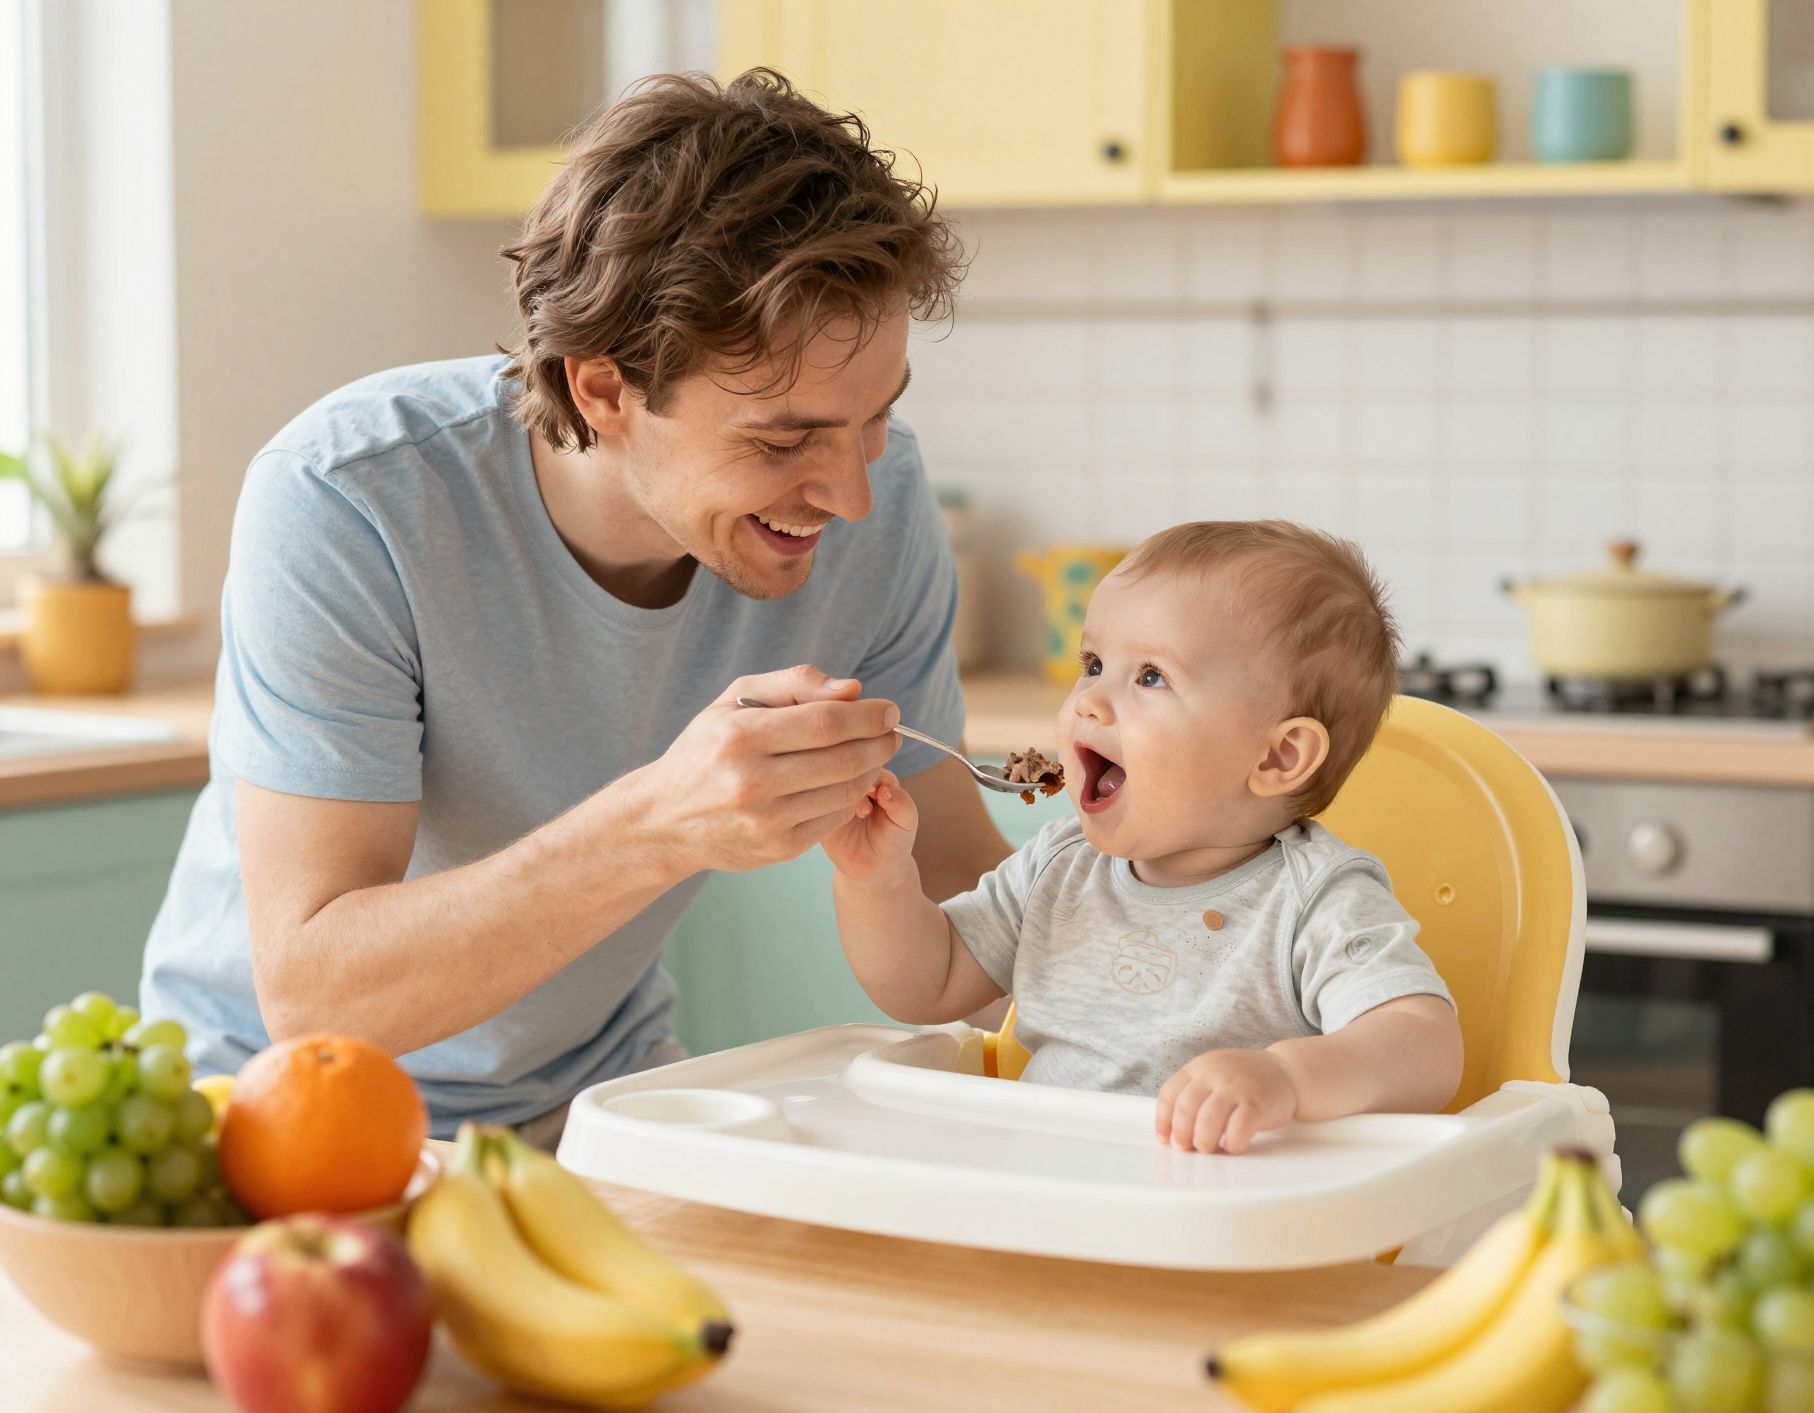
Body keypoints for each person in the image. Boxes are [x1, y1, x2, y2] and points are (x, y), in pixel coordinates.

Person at [141, 72, 1009, 1144]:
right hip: (276, 1116)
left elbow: (960, 881)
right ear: (601, 389)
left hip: (602, 1105)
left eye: (875, 416)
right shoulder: (350, 498)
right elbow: (319, 998)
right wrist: (661, 823)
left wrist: (1189, 982)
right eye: (782, 441)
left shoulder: (877, 504)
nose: (851, 492)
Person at [822, 520, 1463, 1155]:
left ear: (1278, 757)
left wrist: (1287, 1079)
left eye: (1150, 676)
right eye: (1094, 663)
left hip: (1213, 1216)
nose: (1091, 701)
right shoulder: (1059, 865)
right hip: (1047, 1194)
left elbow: (1424, 1045)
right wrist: (874, 881)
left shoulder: (1314, 900)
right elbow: (926, 984)